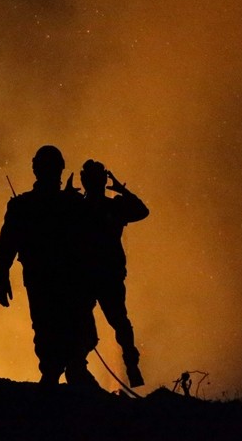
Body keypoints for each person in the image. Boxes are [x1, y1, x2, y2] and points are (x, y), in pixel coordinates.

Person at [0, 144, 98, 388]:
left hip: (49, 278)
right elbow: (7, 245)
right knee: (62, 327)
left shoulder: (26, 205)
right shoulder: (69, 204)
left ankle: (62, 371)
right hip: (60, 279)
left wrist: (1, 278)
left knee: (55, 328)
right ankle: (61, 372)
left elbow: (6, 246)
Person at [79, 159, 149, 387]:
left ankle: (126, 365)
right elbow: (141, 211)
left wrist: (122, 191)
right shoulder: (105, 208)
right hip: (97, 277)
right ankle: (81, 368)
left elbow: (142, 211)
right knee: (109, 323)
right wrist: (122, 190)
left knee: (113, 323)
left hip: (98, 277)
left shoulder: (89, 208)